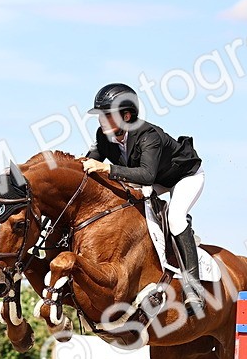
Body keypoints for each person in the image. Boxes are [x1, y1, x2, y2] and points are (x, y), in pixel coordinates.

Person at [81, 82, 206, 314]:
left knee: (176, 218)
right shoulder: (104, 135)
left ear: (126, 116)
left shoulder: (148, 135)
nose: (101, 121)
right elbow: (88, 163)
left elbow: (147, 175)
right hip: (155, 179)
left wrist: (106, 169)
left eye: (107, 115)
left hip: (183, 177)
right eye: (100, 115)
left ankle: (194, 290)